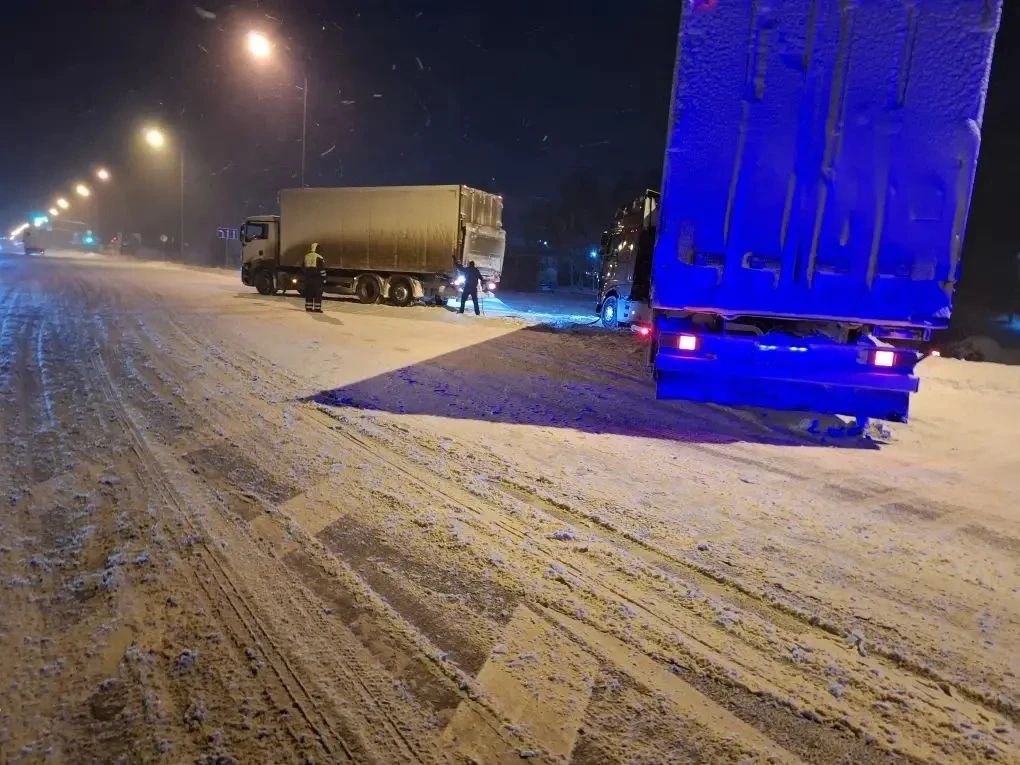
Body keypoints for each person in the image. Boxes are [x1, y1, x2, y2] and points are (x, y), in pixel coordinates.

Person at [303, 242, 326, 312]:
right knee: (317, 294)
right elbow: (321, 269)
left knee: (309, 293)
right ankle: (317, 308)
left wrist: (307, 274)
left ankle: (308, 308)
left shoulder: (306, 256)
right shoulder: (319, 257)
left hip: (308, 278)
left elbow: (302, 267)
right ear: (317, 249)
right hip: (317, 279)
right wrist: (324, 278)